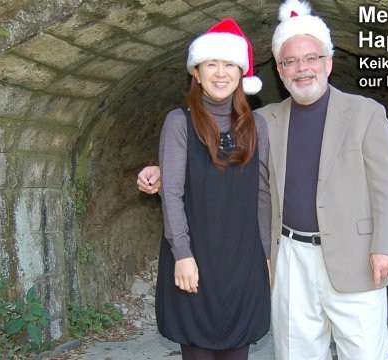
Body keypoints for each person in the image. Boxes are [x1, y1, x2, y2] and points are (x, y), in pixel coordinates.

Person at [138, 1, 388, 358]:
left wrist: (386, 245)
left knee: (364, 352)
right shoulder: (265, 121)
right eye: (290, 61)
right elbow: (213, 155)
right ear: (279, 71)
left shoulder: (365, 113)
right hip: (291, 256)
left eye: (311, 58)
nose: (302, 68)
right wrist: (160, 169)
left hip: (353, 258)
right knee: (297, 351)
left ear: (328, 62)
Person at [148, 17, 271, 360]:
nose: (220, 73)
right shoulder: (180, 122)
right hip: (196, 260)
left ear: (241, 73)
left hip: (243, 264)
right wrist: (182, 254)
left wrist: (266, 257)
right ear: (197, 73)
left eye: (229, 64)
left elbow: (262, 194)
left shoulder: (257, 125)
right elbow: (170, 193)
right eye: (211, 64)